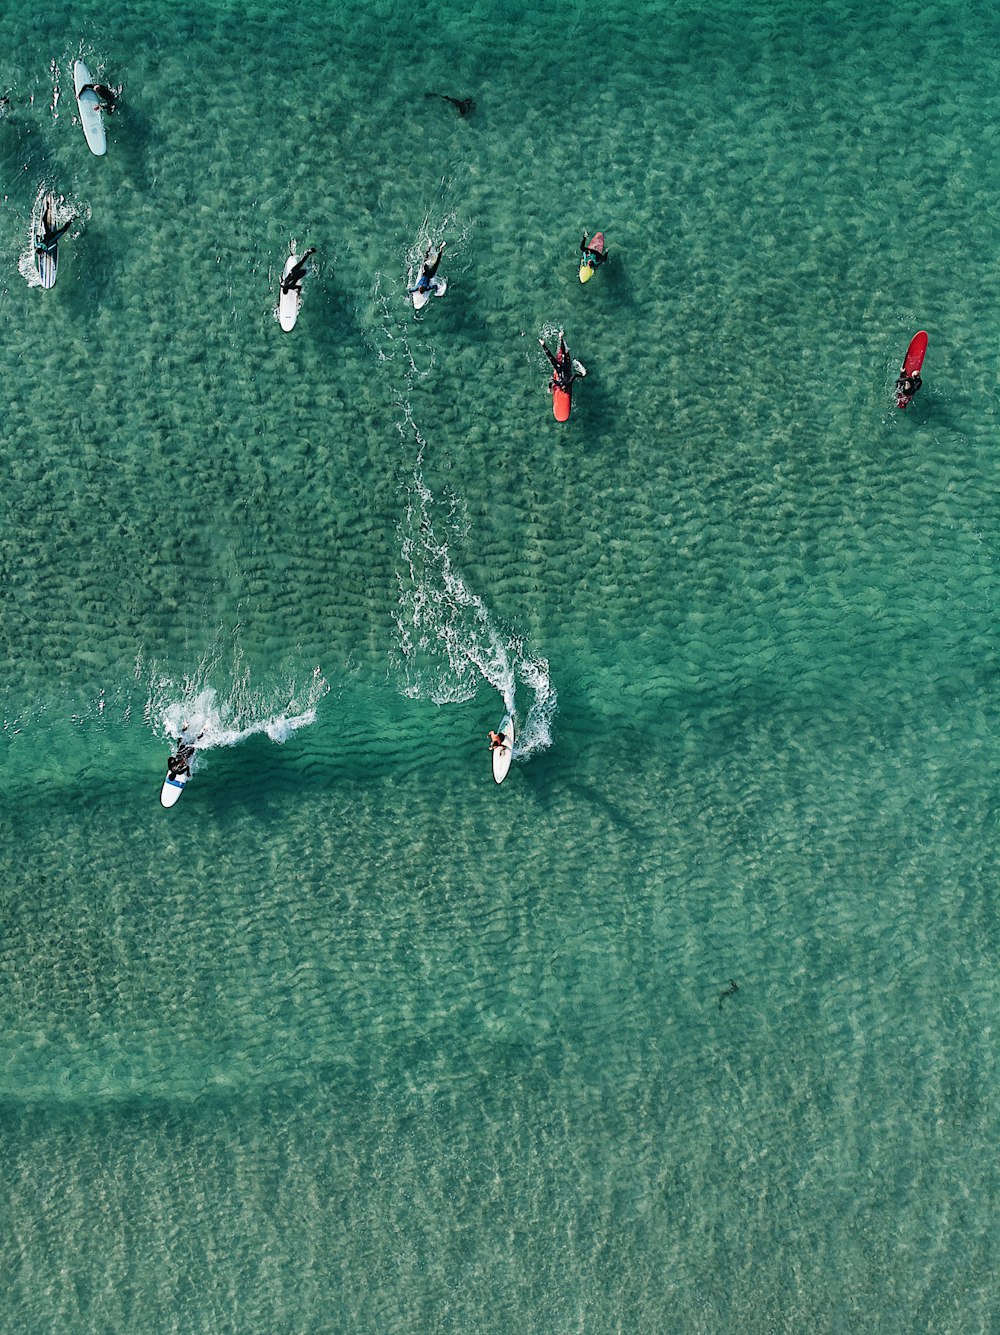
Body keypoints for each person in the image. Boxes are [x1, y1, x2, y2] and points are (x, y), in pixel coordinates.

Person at [539, 329, 579, 395]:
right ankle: (560, 338)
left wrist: (549, 388)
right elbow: (575, 375)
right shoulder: (568, 382)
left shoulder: (560, 383)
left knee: (551, 357)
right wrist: (582, 374)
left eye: (563, 389)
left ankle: (543, 344)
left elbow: (552, 380)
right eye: (564, 389)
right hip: (564, 366)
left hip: (559, 368)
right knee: (562, 354)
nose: (564, 389)